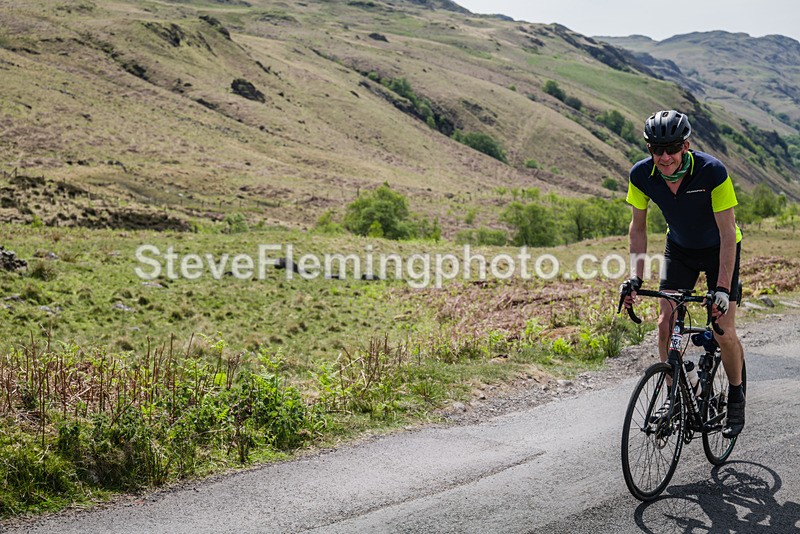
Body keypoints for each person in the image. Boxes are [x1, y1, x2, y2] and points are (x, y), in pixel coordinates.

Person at [622, 109, 746, 438]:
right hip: (679, 250)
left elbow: (726, 233)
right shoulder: (641, 175)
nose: (664, 157)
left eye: (672, 148)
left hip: (720, 249)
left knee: (723, 329)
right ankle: (677, 393)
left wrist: (721, 288)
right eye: (656, 149)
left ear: (686, 145)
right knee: (665, 324)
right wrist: (636, 277)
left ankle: (735, 394)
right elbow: (638, 227)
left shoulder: (711, 172)